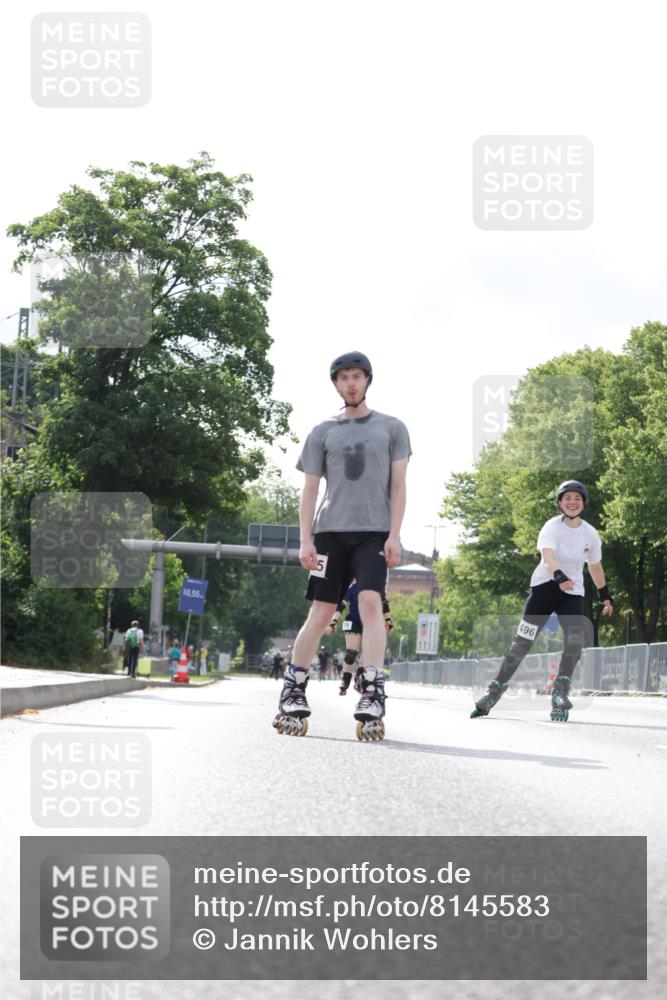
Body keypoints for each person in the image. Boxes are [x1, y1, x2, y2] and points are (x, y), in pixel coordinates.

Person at [273, 351, 411, 738]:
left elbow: (398, 486)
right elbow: (310, 489)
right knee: (321, 611)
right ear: (335, 384)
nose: (350, 383)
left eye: (357, 376)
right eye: (343, 377)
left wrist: (395, 534)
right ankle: (294, 687)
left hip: (374, 532)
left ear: (368, 380)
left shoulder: (392, 428)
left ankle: (371, 689)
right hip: (330, 532)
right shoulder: (322, 431)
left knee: (369, 603)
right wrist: (305, 540)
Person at [471, 480, 614, 722]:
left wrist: (605, 595)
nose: (572, 503)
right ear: (560, 503)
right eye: (567, 498)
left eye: (577, 499)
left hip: (573, 592)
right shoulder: (551, 527)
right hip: (544, 589)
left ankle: (560, 692)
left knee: (575, 641)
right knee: (522, 643)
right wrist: (559, 576)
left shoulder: (590, 534)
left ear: (584, 503)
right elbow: (548, 557)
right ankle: (493, 691)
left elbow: (595, 566)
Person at [326, 580, 394, 695]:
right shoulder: (352, 586)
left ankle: (359, 677)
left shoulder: (377, 584)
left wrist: (389, 622)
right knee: (350, 655)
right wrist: (334, 621)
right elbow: (342, 605)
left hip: (371, 622)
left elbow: (384, 604)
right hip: (354, 621)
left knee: (368, 654)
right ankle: (345, 680)